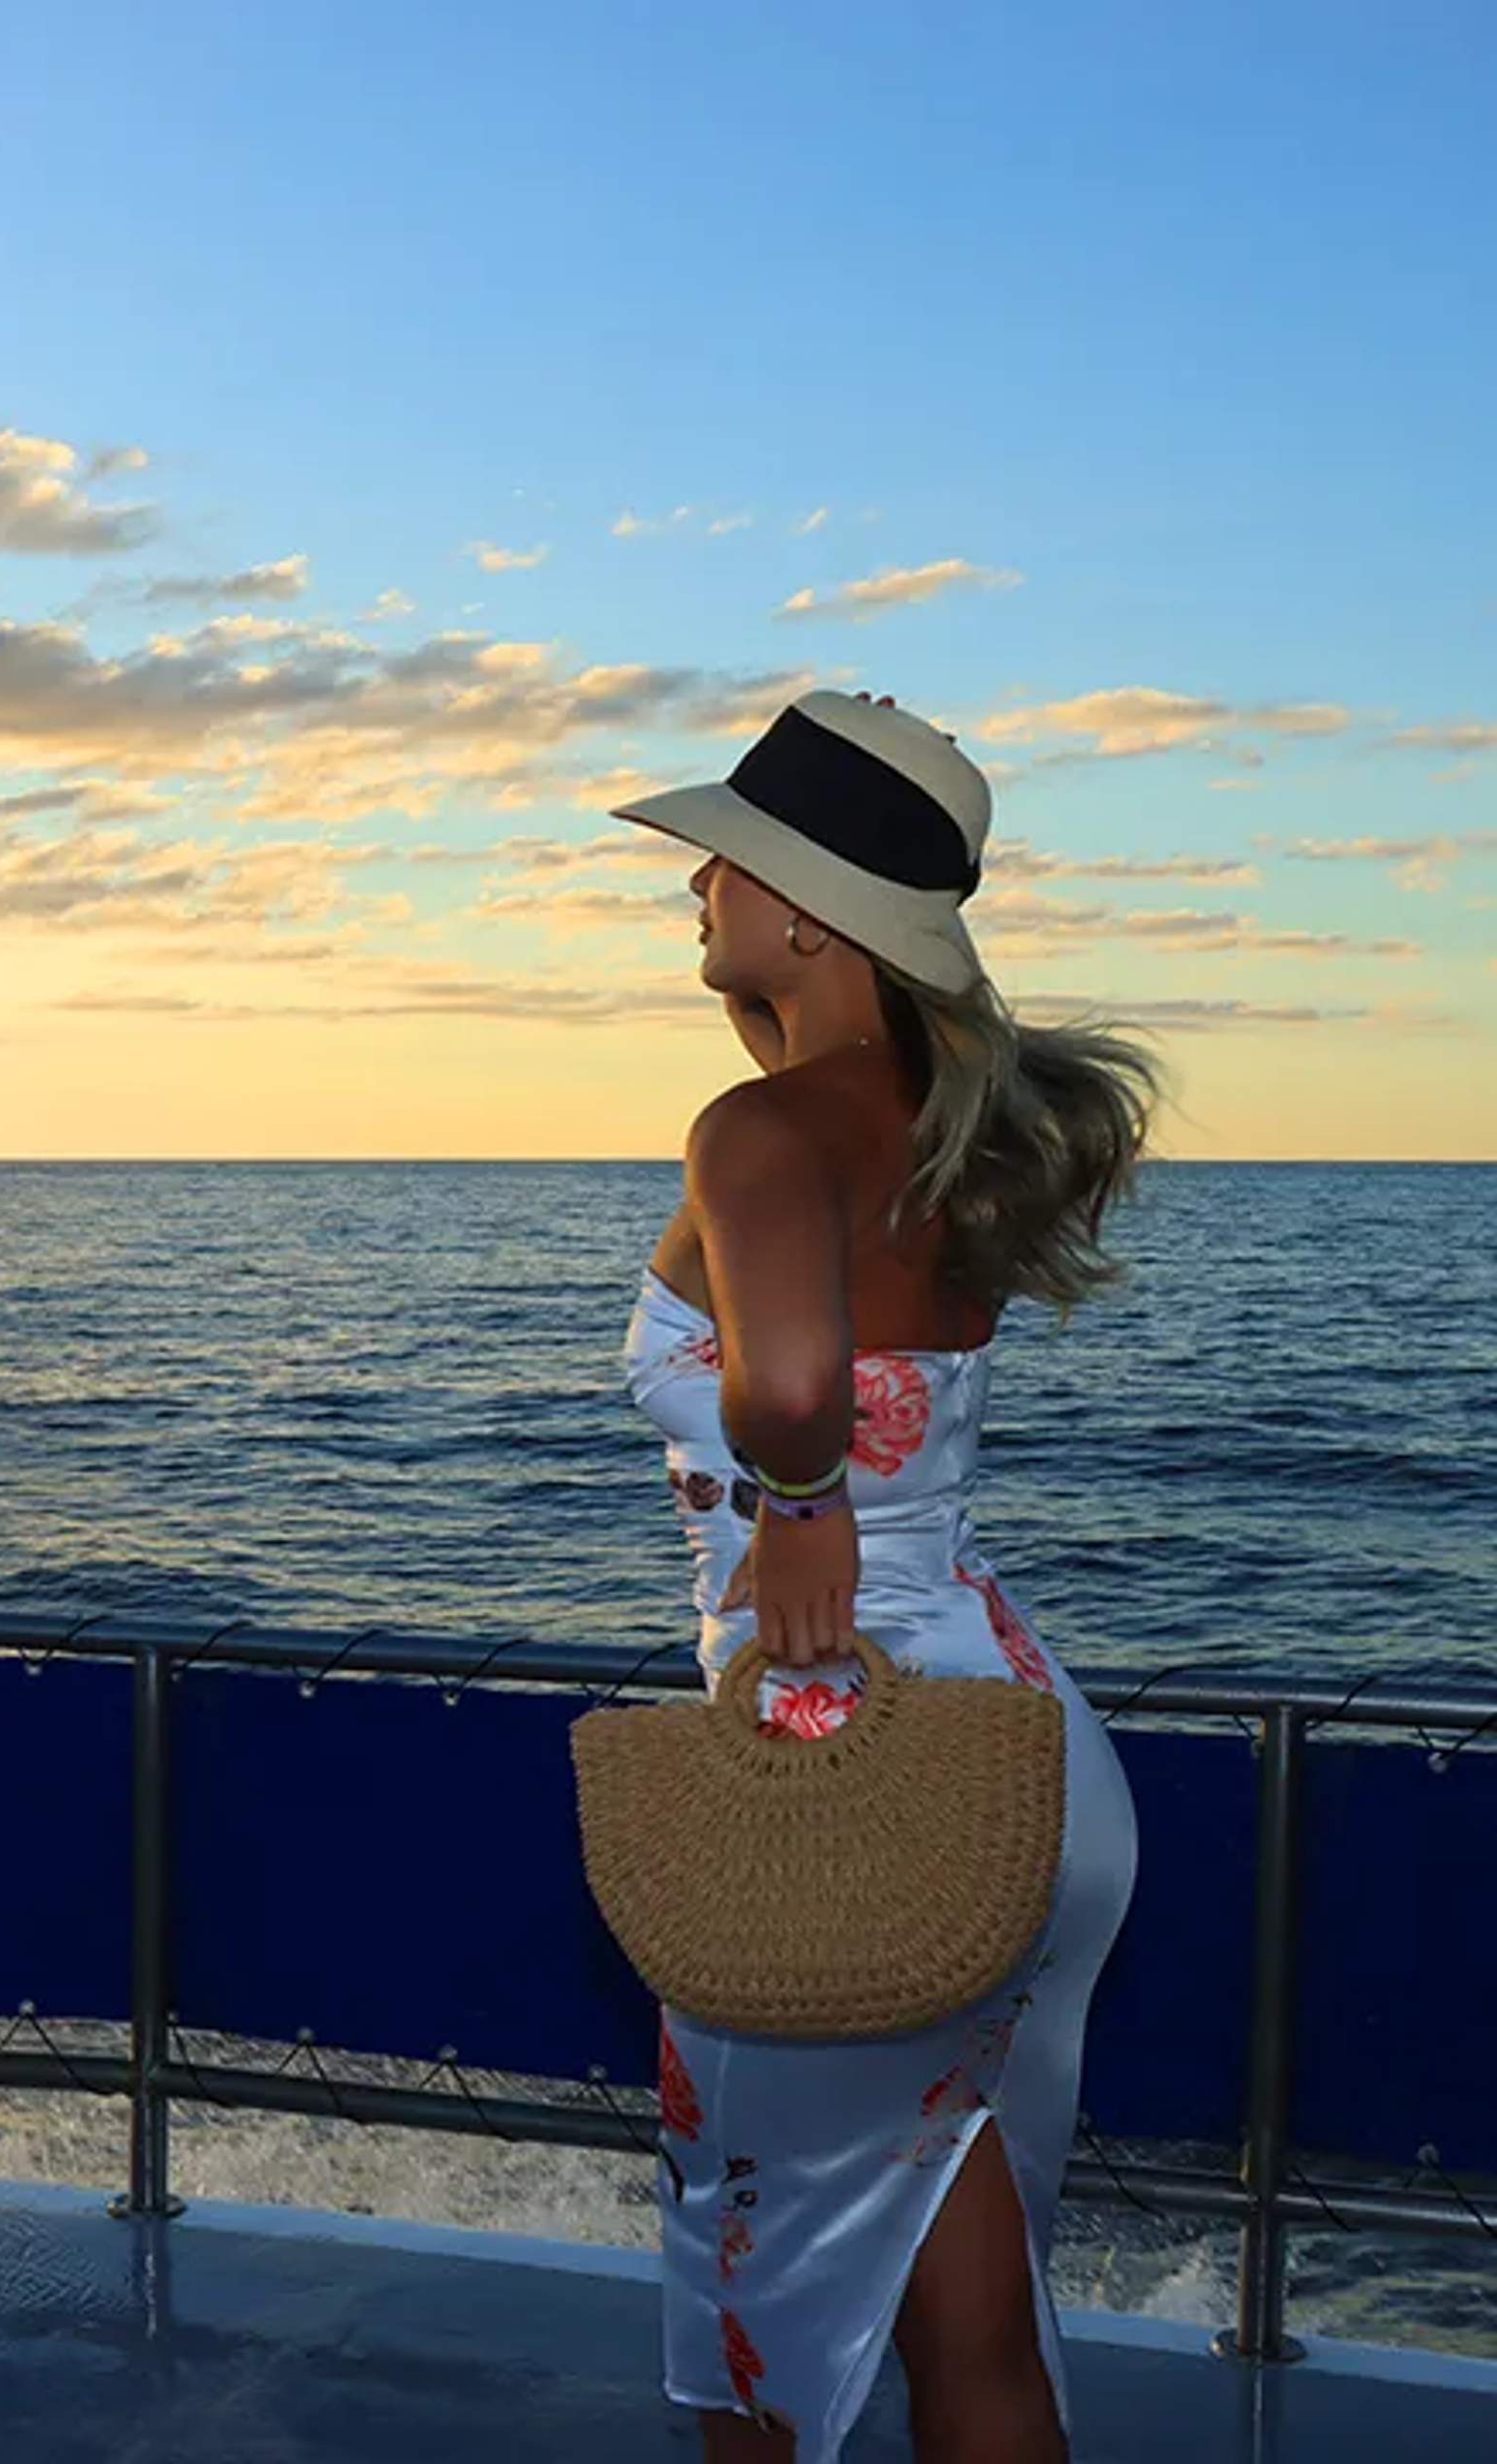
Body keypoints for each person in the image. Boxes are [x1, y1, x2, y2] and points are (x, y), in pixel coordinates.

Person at [611, 689, 1155, 2462]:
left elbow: (785, 1387)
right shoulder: (946, 1134)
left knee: (761, 2284)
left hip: (845, 1761)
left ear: (807, 915)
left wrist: (798, 1491)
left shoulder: (760, 1133)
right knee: (971, 2312)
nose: (697, 882)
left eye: (730, 861)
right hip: (1018, 1765)